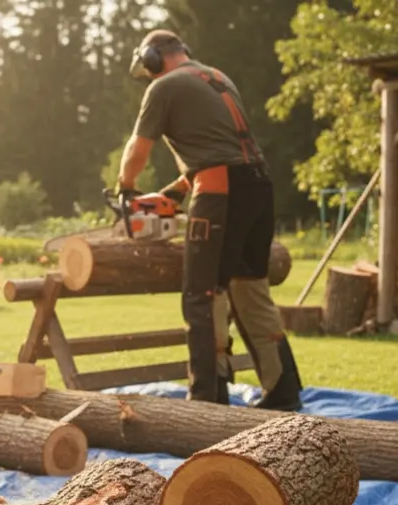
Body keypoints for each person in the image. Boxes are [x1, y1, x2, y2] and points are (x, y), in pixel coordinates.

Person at [116, 29, 303, 411]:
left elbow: (138, 151)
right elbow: (226, 152)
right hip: (258, 185)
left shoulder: (164, 86)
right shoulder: (218, 78)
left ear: (153, 59)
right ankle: (283, 392)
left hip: (219, 191)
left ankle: (206, 400)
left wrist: (125, 186)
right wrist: (175, 193)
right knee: (252, 291)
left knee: (203, 295)